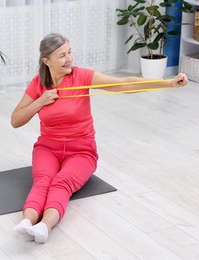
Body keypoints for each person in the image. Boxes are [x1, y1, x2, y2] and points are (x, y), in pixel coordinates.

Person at [11, 33, 188, 244]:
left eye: (69, 52)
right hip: (48, 147)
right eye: (61, 56)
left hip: (82, 150)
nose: (69, 59)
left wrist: (167, 84)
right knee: (42, 181)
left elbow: (125, 84)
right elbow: (15, 120)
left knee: (61, 183)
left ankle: (44, 227)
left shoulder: (82, 76)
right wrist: (40, 101)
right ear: (46, 61)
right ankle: (26, 223)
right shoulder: (39, 84)